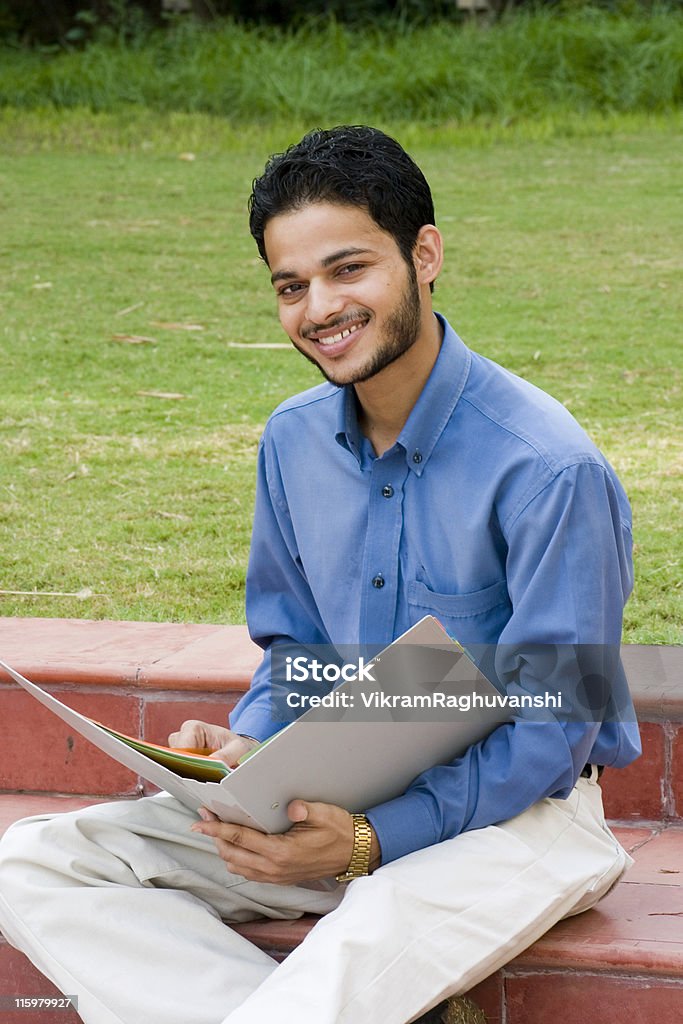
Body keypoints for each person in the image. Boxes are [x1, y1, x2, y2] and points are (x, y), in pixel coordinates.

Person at [0, 126, 640, 1024]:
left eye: (348, 270)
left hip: (524, 820)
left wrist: (370, 844)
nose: (319, 308)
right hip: (325, 799)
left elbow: (554, 732)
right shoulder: (293, 442)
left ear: (424, 255)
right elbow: (295, 648)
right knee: (36, 863)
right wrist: (250, 750)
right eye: (290, 286)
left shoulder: (547, 469)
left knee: (367, 927)